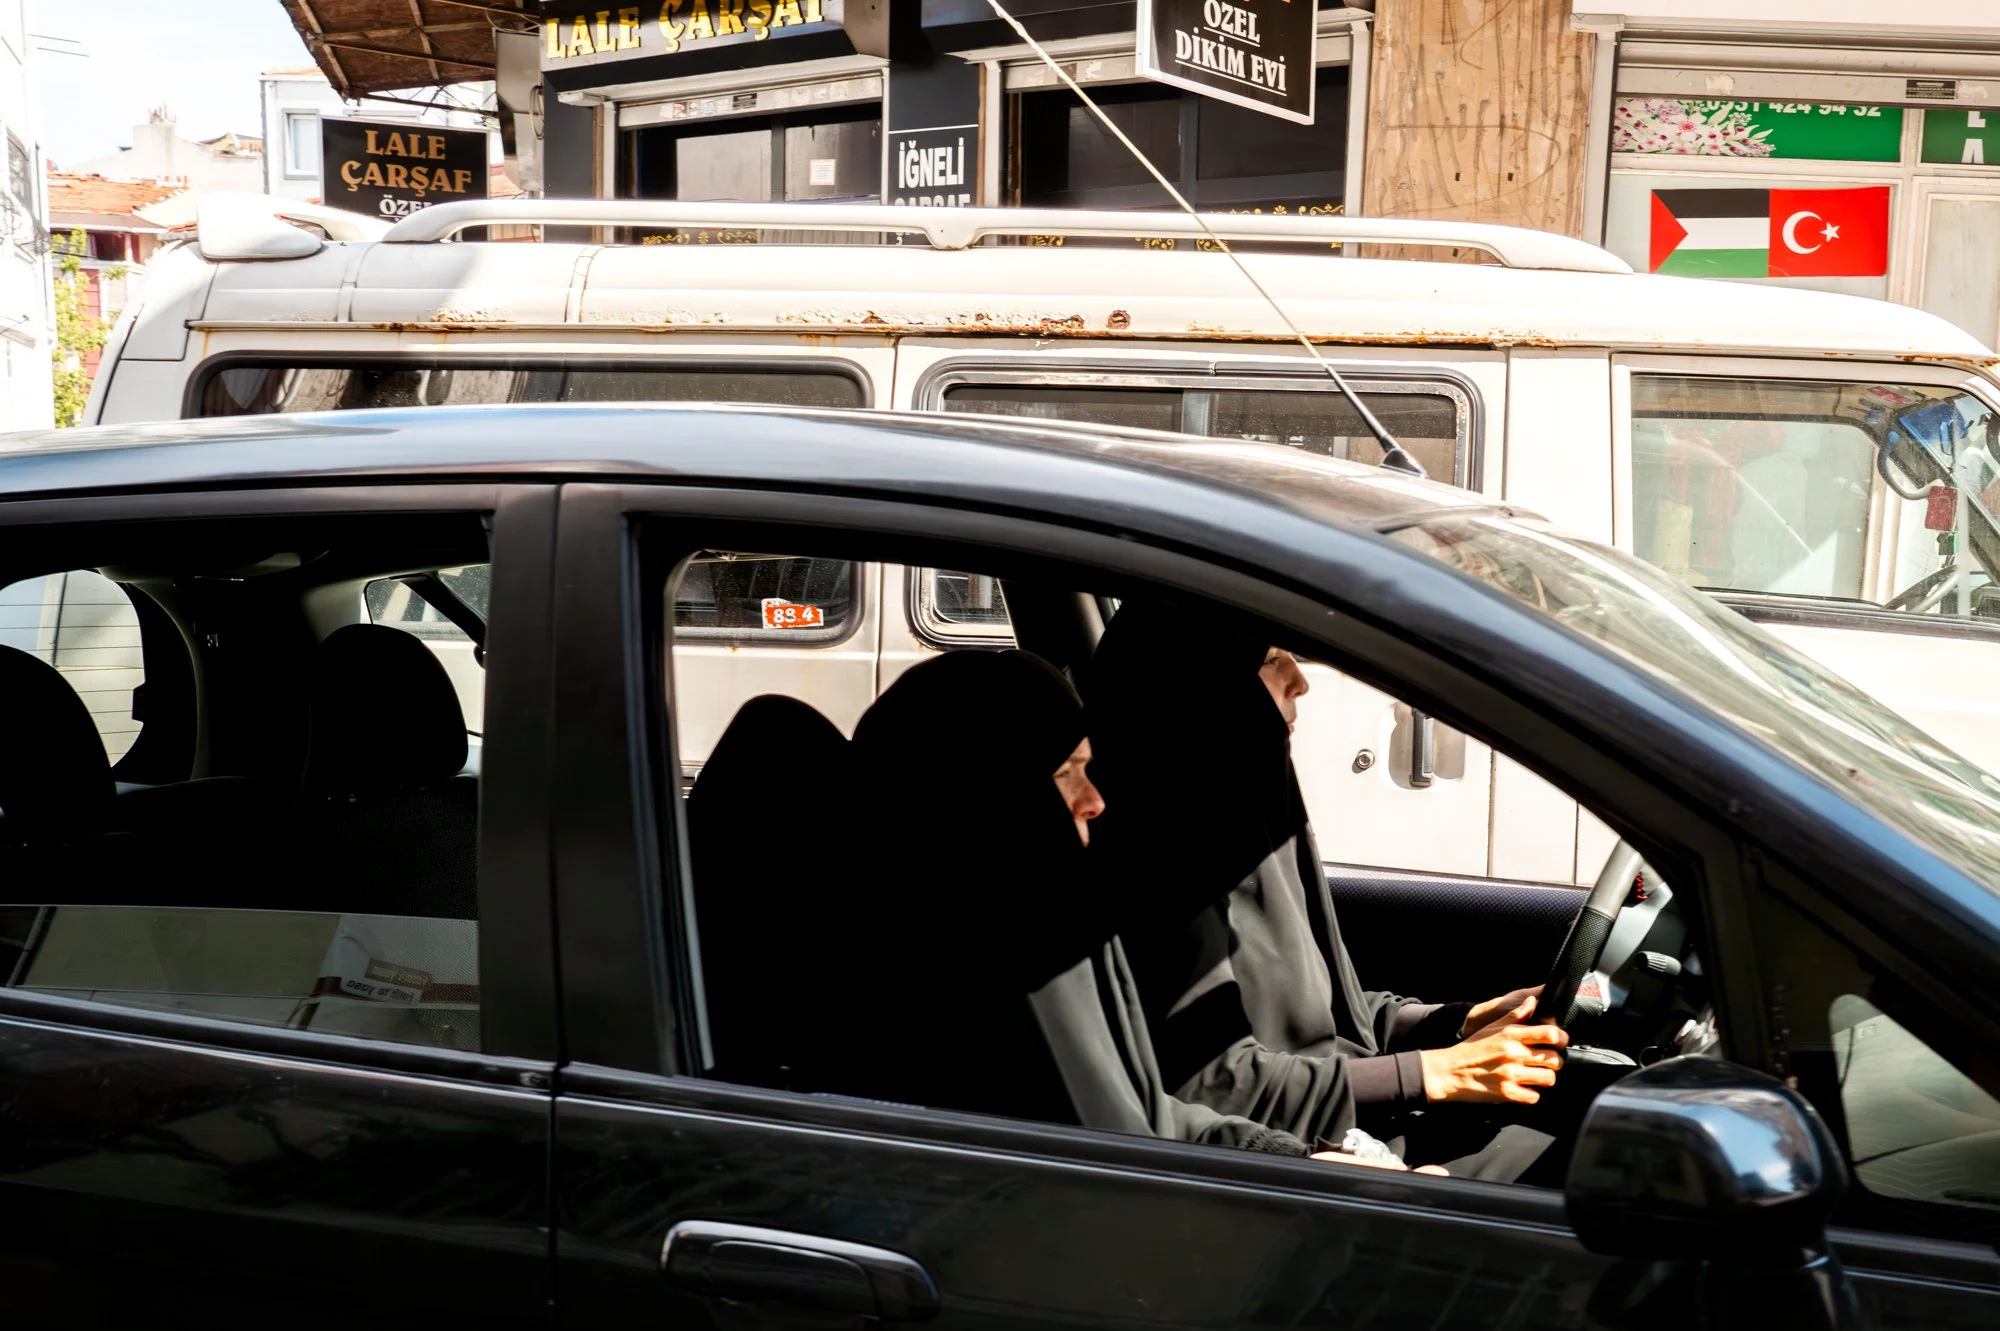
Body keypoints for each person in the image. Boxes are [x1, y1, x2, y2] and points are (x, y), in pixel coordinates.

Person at [1085, 599, 1566, 1180]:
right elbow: (1211, 1082)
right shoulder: (1156, 864)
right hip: (1309, 1161)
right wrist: (1431, 1074)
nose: (1300, 681)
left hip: (1351, 1133)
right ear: (1201, 691)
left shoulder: (1248, 828)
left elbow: (1316, 1016)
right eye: (1271, 661)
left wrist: (1457, 1024)